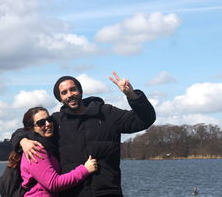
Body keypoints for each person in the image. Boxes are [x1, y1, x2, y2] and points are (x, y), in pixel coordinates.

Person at [11, 72, 156, 197]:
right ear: (60, 98)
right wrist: (23, 141)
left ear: (80, 91)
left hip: (107, 192)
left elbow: (145, 120)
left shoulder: (107, 113)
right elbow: (28, 130)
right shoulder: (56, 121)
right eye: (64, 92)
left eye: (73, 89)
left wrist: (131, 94)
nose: (70, 95)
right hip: (72, 193)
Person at [17, 106, 98, 197]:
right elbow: (53, 183)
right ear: (31, 129)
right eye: (41, 123)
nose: (47, 124)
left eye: (49, 119)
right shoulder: (35, 150)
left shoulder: (49, 145)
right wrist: (85, 170)